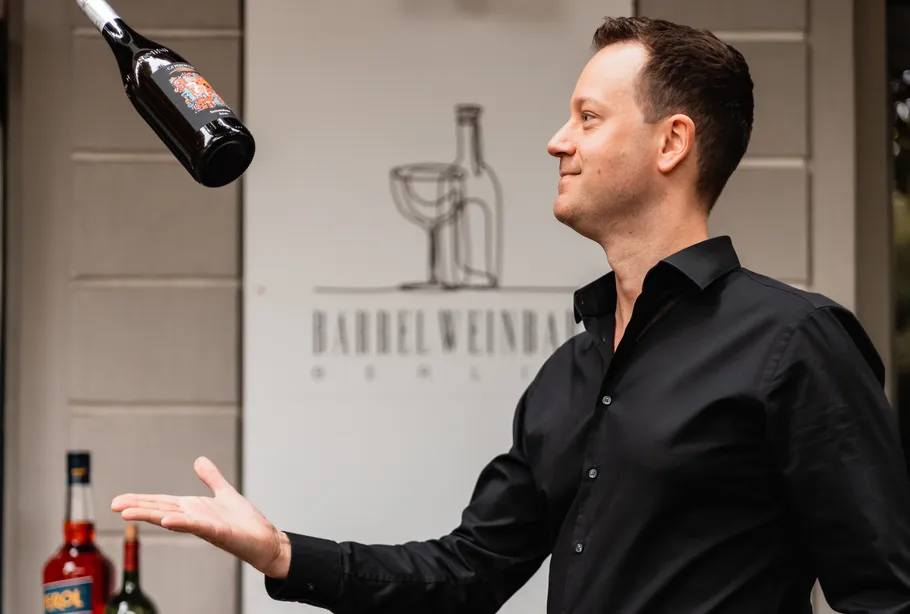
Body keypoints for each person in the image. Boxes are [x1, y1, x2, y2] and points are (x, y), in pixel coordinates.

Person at [112, 15, 910, 614]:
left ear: (672, 143)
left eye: (589, 118)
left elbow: (882, 595)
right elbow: (469, 571)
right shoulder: (571, 373)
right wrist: (283, 552)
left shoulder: (794, 341)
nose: (557, 142)